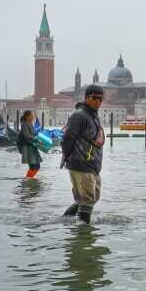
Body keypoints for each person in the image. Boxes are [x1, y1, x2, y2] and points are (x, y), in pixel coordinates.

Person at [60, 84, 105, 223]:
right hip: (80, 163)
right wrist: (67, 158)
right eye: (94, 98)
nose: (98, 101)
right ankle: (83, 235)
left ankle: (65, 222)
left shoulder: (93, 115)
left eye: (100, 99)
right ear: (87, 98)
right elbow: (67, 139)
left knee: (91, 198)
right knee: (86, 200)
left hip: (92, 165)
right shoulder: (79, 115)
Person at [18, 110, 42, 178]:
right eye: (31, 115)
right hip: (27, 148)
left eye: (33, 115)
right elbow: (26, 136)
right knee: (33, 166)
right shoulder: (24, 124)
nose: (33, 117)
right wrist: (36, 139)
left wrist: (39, 137)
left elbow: (33, 134)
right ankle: (28, 179)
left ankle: (30, 178)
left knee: (37, 166)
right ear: (27, 116)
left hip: (33, 147)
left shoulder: (30, 124)